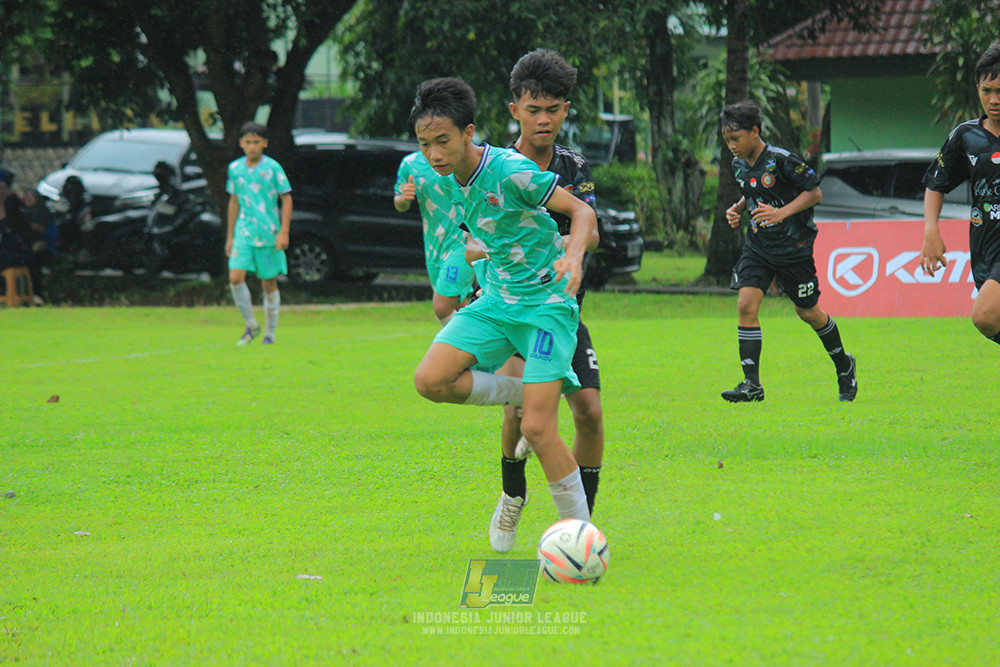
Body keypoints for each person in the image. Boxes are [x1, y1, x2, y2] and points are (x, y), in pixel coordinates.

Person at [409, 77, 598, 534]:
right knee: (430, 380)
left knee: (537, 428)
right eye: (425, 144)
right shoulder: (445, 182)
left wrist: (573, 257)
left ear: (468, 133)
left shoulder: (511, 169)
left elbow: (583, 212)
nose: (434, 154)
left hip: (546, 305)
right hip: (495, 303)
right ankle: (527, 391)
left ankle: (581, 537)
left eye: (442, 141)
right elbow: (480, 236)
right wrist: (471, 256)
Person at [485, 49, 605, 554]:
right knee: (520, 414)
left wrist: (567, 248)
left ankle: (582, 527)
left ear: (565, 110)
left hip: (562, 312)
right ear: (515, 109)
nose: (543, 120)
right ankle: (513, 495)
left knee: (590, 413)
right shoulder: (494, 166)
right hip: (513, 308)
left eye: (553, 110)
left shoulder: (573, 166)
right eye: (533, 109)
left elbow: (590, 230)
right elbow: (473, 240)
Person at [721, 101, 857, 403]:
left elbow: (814, 192)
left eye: (735, 138)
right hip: (758, 247)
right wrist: (738, 208)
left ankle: (844, 365)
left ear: (755, 131)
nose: (731, 146)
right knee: (746, 304)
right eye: (727, 140)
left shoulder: (781, 160)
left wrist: (781, 213)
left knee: (807, 312)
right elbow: (752, 190)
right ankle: (751, 385)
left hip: (793, 248)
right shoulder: (738, 164)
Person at [922, 43, 1000, 344]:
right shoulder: (966, 136)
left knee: (984, 315)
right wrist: (931, 230)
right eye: (987, 91)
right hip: (984, 245)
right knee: (990, 321)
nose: (994, 100)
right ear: (978, 89)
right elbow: (935, 184)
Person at [225, 122, 292, 346]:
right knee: (235, 277)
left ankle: (270, 334)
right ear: (241, 143)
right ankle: (251, 325)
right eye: (248, 142)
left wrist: (284, 232)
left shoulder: (273, 168)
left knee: (269, 282)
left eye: (256, 142)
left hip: (268, 233)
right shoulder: (235, 168)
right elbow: (234, 201)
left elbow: (286, 198)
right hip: (243, 232)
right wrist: (230, 236)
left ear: (265, 143)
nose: (252, 146)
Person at [394, 150, 475, 325]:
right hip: (433, 247)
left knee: (442, 306)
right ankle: (486, 340)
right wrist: (404, 198)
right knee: (459, 306)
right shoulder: (410, 163)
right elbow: (399, 202)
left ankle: (465, 341)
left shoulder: (463, 157)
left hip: (462, 243)